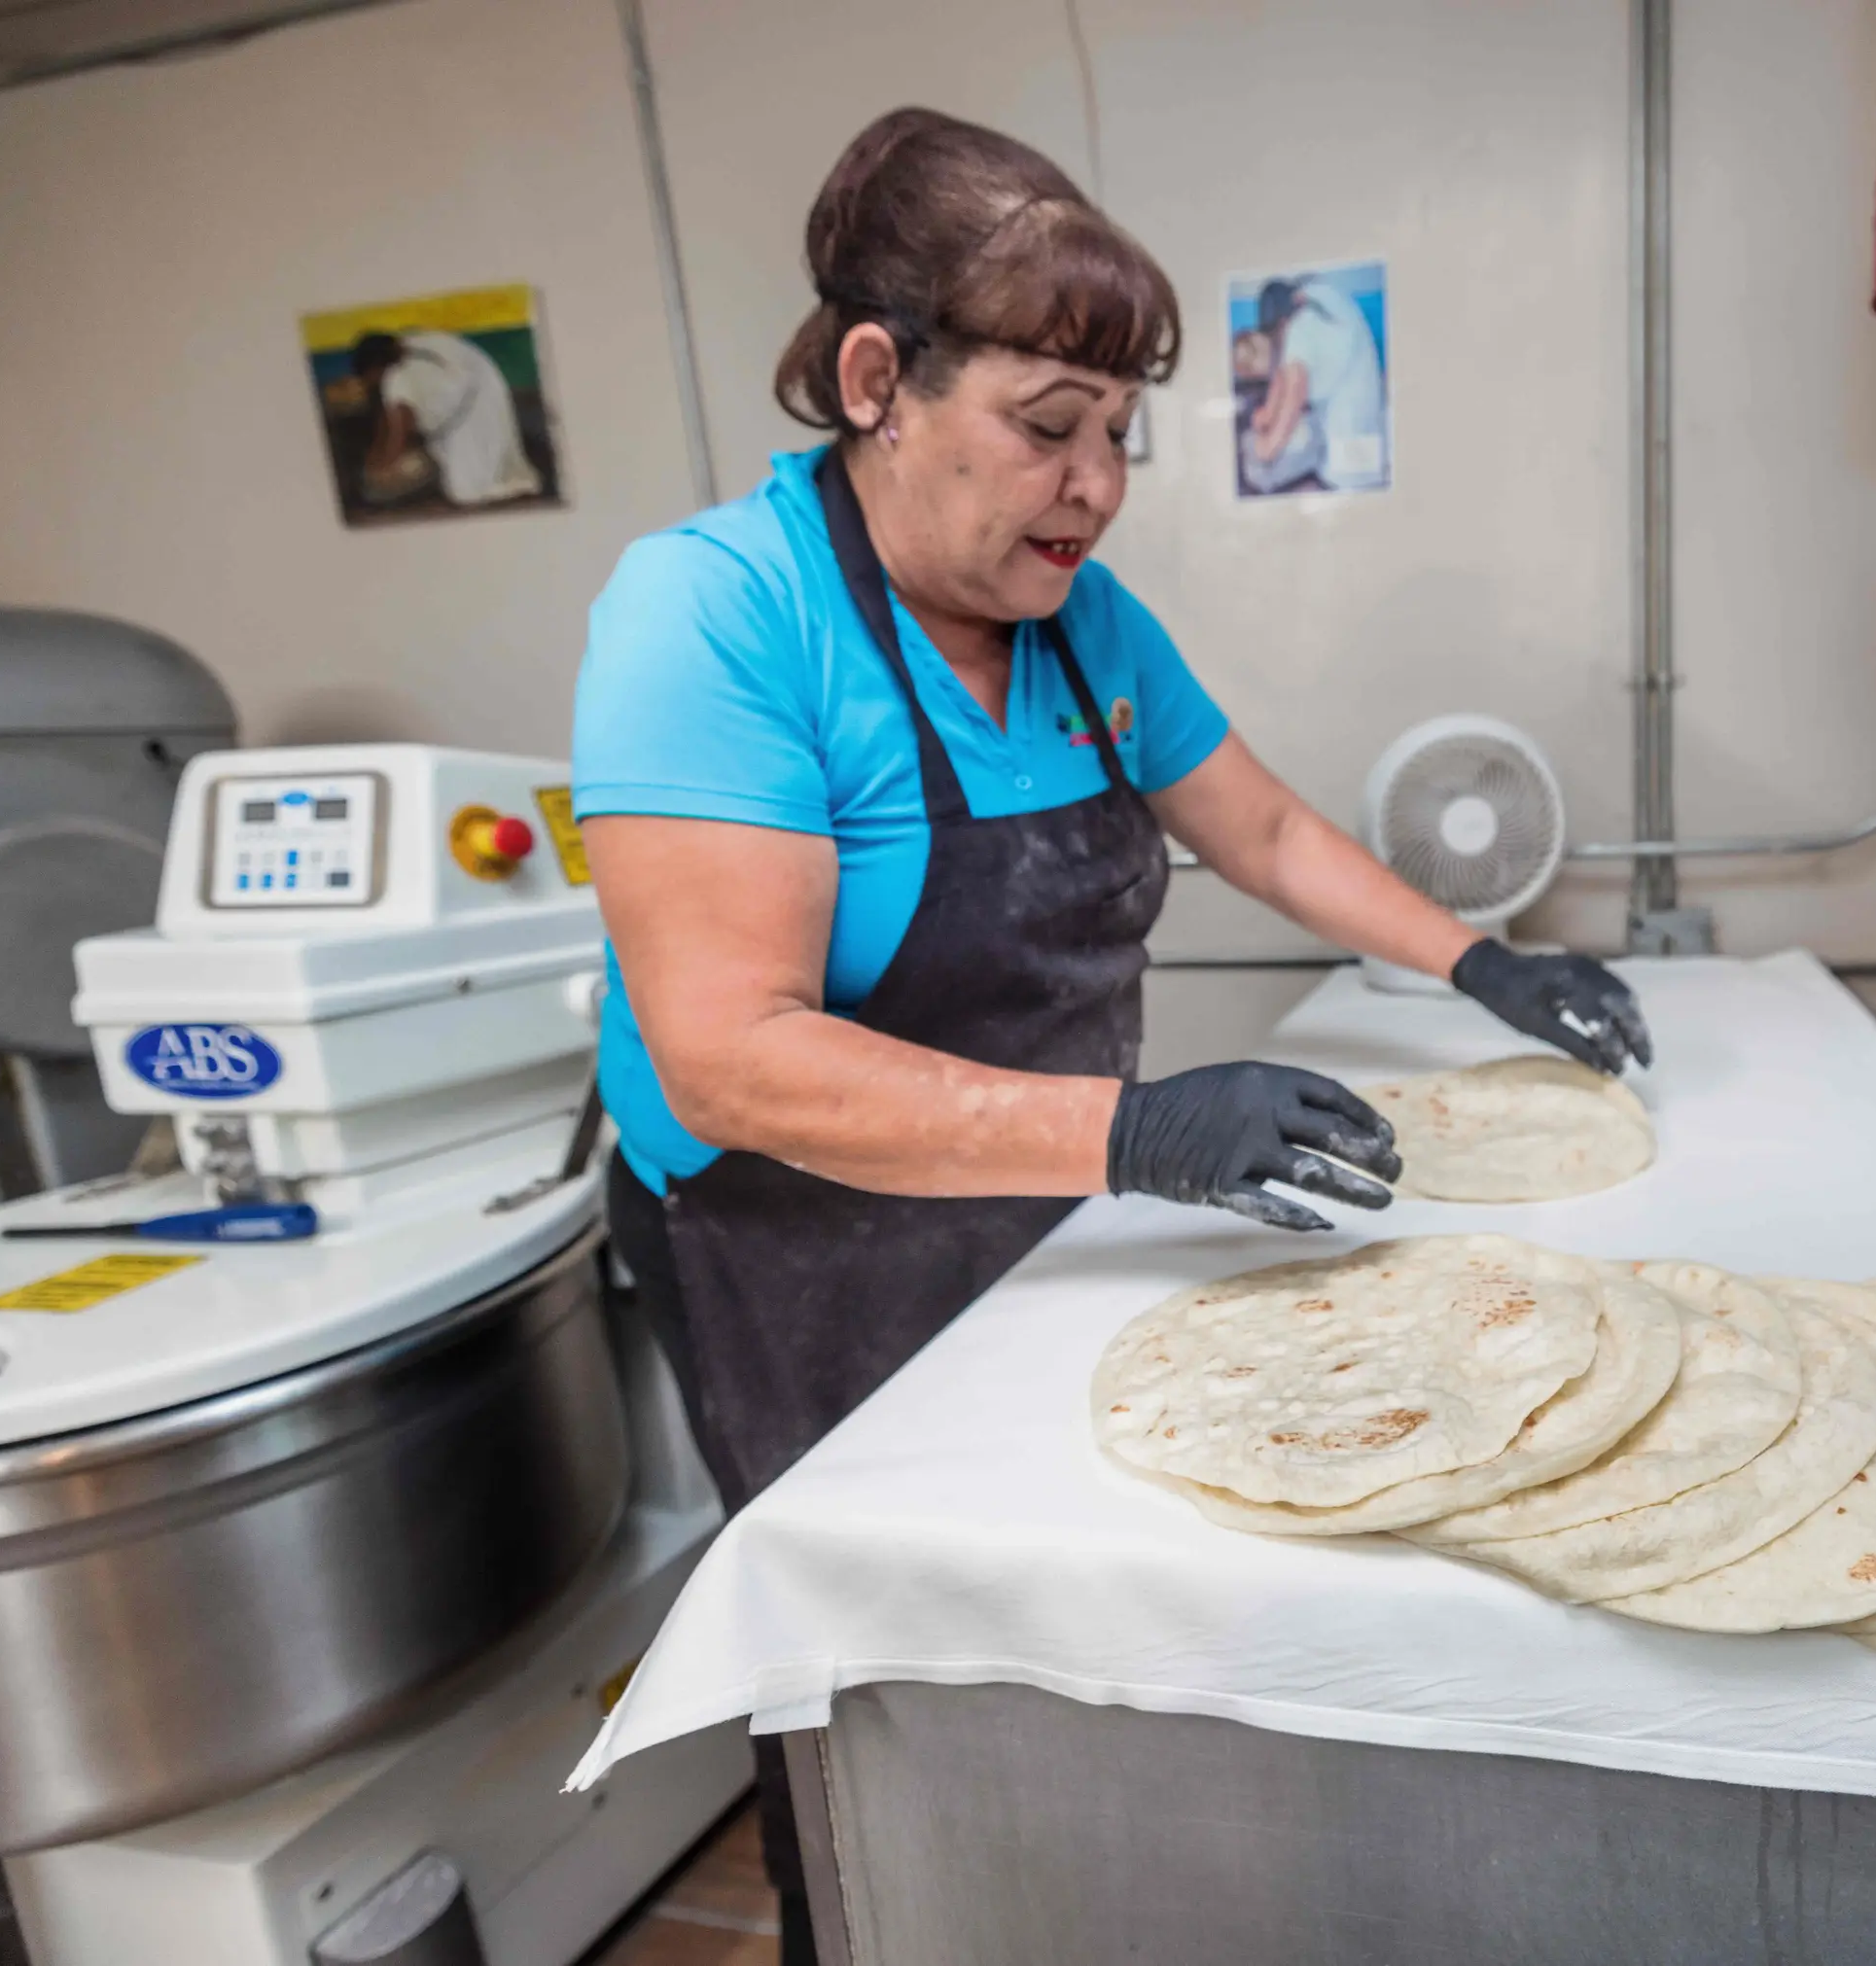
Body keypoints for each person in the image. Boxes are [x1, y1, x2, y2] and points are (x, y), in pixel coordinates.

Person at [571, 108, 1646, 1959]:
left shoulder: (1076, 623)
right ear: (874, 382)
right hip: (783, 1239)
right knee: (866, 1667)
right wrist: (1140, 1132)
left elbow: (1270, 829)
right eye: (1047, 428)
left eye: (1118, 441)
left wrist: (1482, 966)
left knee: (1055, 1620)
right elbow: (729, 1054)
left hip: (1026, 1197)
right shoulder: (718, 612)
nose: (1093, 486)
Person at [348, 328, 543, 508]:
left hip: (473, 407)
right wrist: (376, 455)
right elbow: (387, 417)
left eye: (368, 378)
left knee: (468, 491)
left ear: (374, 367)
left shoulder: (397, 378)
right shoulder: (412, 345)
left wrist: (382, 466)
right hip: (485, 387)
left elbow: (399, 429)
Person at [1241, 274, 1388, 494]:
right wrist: (1269, 414)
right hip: (1368, 444)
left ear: (1281, 324)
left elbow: (1294, 392)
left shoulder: (1300, 329)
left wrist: (1269, 447)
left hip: (1348, 469)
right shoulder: (1325, 308)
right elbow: (1283, 376)